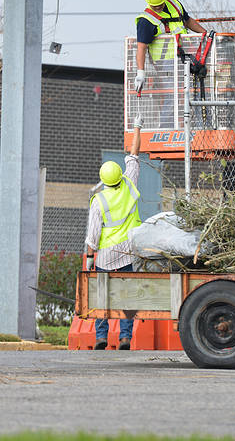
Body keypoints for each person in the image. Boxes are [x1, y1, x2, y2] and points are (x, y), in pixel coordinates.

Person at [84, 118, 144, 350]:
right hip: (128, 254)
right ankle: (125, 338)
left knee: (103, 296)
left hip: (106, 257)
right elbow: (134, 153)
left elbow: (92, 235)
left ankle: (101, 337)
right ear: (119, 173)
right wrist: (137, 127)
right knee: (126, 296)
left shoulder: (99, 201)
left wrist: (90, 259)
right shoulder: (130, 184)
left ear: (103, 180)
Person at [133, 0, 206, 96]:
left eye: (160, 4)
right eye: (154, 5)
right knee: (173, 96)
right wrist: (140, 72)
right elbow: (141, 48)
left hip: (185, 56)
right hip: (165, 63)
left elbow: (187, 21)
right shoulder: (145, 21)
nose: (157, 8)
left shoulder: (175, 4)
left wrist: (205, 33)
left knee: (192, 93)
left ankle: (191, 114)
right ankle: (170, 115)